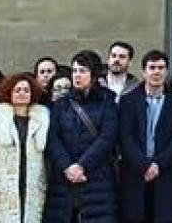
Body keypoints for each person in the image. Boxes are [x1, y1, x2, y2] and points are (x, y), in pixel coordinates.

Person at [45, 51, 118, 223]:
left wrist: (82, 166)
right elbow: (52, 139)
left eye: (82, 71)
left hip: (97, 179)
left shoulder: (107, 101)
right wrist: (68, 167)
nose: (77, 75)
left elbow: (107, 138)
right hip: (64, 180)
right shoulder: (61, 104)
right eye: (74, 70)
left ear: (93, 75)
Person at [116, 50, 172, 223]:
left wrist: (158, 164)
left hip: (166, 174)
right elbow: (125, 137)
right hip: (135, 174)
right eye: (152, 67)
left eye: (161, 68)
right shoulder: (128, 101)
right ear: (144, 71)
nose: (156, 72)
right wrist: (144, 165)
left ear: (167, 71)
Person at [0, 74, 50, 223]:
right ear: (9, 93)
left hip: (32, 183)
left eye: (26, 90)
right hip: (2, 186)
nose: (22, 93)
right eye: (17, 90)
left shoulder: (42, 119)